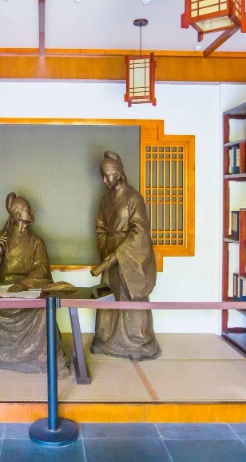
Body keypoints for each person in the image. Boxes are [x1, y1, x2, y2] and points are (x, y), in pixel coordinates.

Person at [0, 192, 71, 377]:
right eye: (28, 209)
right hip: (0, 286)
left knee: (43, 309)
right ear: (16, 214)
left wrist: (25, 283)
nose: (32, 212)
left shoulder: (36, 241)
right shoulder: (0, 238)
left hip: (26, 287)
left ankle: (46, 357)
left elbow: (41, 268)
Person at [90, 151, 161, 360]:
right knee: (109, 294)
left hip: (129, 255)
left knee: (130, 294)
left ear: (119, 173)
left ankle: (138, 341)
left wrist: (118, 254)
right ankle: (106, 339)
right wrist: (106, 251)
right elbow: (100, 227)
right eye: (103, 175)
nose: (105, 180)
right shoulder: (105, 200)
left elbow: (140, 231)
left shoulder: (133, 198)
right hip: (110, 251)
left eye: (108, 175)